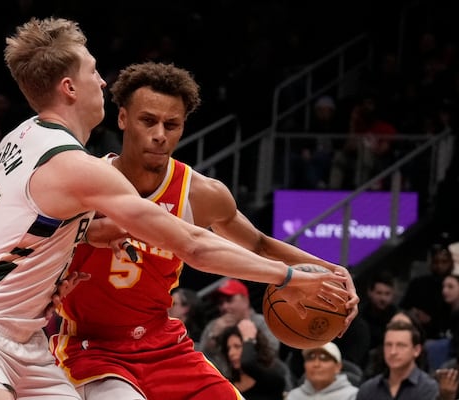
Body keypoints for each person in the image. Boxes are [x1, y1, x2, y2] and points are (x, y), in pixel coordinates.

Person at [0, 18, 353, 400]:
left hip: (32, 342)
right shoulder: (81, 169)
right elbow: (194, 245)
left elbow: (22, 223)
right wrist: (291, 277)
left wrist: (80, 234)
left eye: (172, 124)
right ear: (70, 87)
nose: (102, 81)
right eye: (93, 71)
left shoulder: (22, 136)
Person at [48, 61, 358, 400]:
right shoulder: (84, 180)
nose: (160, 135)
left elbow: (258, 244)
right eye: (148, 121)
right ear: (123, 118)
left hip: (162, 342)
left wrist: (332, 271)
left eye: (172, 124)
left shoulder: (200, 193)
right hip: (94, 346)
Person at [199, 278, 280, 374]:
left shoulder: (261, 322)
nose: (224, 307)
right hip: (230, 382)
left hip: (265, 376)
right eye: (220, 303)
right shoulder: (213, 326)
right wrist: (213, 337)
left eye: (229, 300)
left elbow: (272, 352)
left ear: (245, 300)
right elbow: (203, 361)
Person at [356, 320, 439, 399]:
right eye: (388, 345)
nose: (393, 352)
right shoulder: (368, 389)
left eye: (401, 345)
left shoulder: (429, 389)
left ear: (416, 350)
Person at [219, 319, 290, 400]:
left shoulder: (272, 377)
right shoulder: (229, 385)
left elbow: (247, 363)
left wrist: (248, 339)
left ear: (252, 347)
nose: (231, 353)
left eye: (237, 346)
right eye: (228, 349)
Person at [286, 342, 358, 400]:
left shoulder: (353, 395)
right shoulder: (293, 396)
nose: (316, 364)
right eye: (310, 358)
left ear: (338, 367)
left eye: (324, 358)